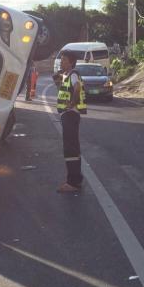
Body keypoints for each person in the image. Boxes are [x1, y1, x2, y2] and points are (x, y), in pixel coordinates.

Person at [54, 50, 87, 193]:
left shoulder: (73, 74)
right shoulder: (66, 75)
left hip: (70, 114)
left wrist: (72, 103)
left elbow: (77, 88)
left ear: (71, 62)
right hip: (67, 115)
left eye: (64, 60)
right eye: (61, 60)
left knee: (70, 149)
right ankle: (76, 179)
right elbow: (64, 91)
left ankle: (72, 183)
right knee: (73, 148)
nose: (61, 62)